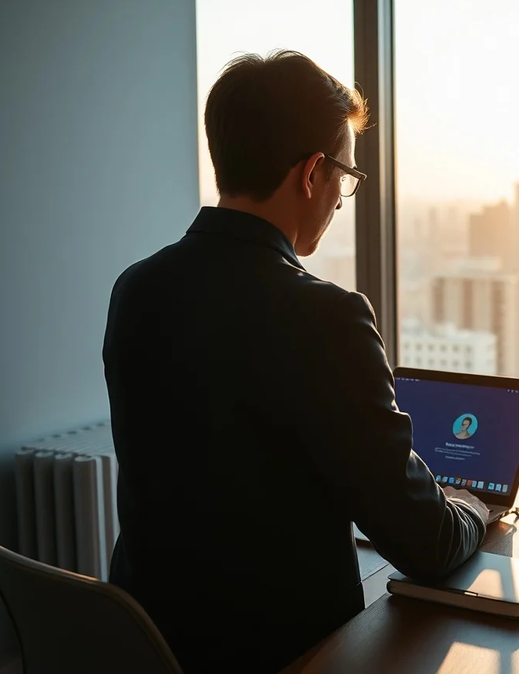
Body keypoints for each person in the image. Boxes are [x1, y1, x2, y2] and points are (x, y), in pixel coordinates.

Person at [102, 51, 489, 674]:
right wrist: (470, 505)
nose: (342, 201)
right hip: (290, 654)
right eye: (347, 178)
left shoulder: (136, 288)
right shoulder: (325, 317)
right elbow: (427, 542)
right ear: (313, 173)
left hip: (150, 642)